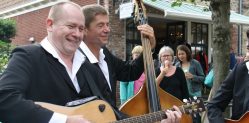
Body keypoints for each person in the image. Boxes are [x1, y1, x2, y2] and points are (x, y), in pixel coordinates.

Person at [0, 2, 181, 123]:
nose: (77, 34)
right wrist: (63, 120)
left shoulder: (86, 66)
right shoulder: (28, 56)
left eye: (80, 28)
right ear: (50, 24)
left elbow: (111, 114)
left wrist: (157, 118)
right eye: (71, 27)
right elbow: (4, 98)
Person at [80, 4, 182, 123]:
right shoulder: (74, 60)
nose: (107, 29)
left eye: (107, 24)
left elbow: (130, 72)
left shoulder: (104, 54)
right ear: (85, 29)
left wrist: (149, 47)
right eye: (100, 25)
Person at [175, 45, 205, 123]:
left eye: (182, 54)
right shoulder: (177, 65)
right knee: (186, 118)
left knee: (196, 119)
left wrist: (193, 77)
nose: (181, 56)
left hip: (195, 94)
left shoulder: (195, 63)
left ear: (187, 53)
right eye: (179, 54)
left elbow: (203, 78)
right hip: (183, 96)